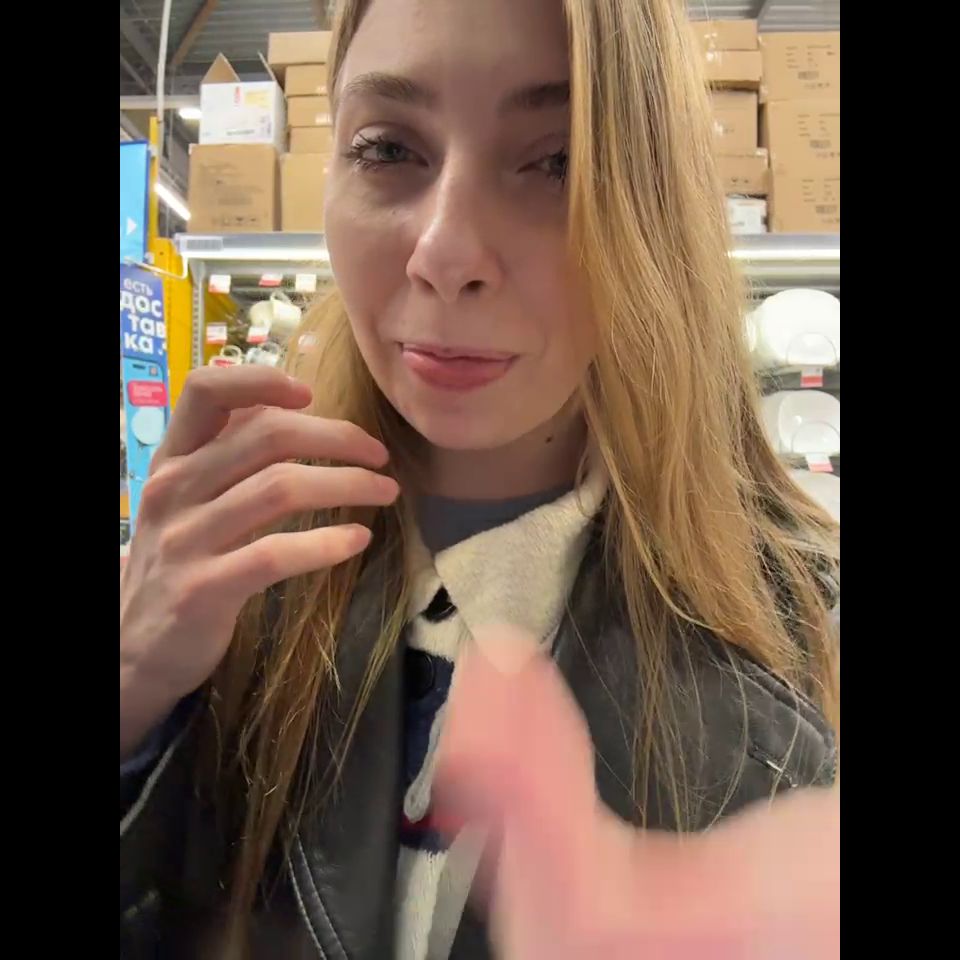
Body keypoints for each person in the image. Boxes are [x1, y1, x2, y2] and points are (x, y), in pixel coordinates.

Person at [119, 0, 840, 957]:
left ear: (654, 205)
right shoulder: (222, 579)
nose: (446, 253)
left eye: (557, 162)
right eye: (387, 149)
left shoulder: (807, 635)